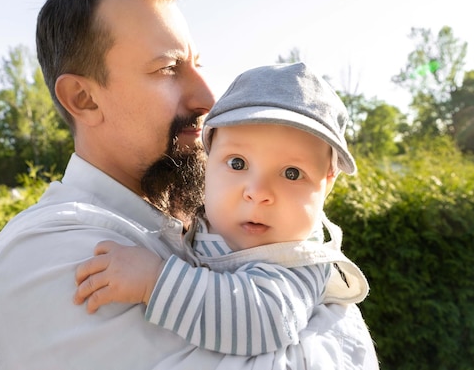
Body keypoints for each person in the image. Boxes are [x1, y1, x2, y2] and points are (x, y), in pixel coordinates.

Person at [0, 0, 379, 369]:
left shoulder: (210, 224)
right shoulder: (46, 255)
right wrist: (337, 323)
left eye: (197, 64)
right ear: (84, 98)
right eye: (169, 68)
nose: (208, 98)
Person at [73, 62, 370, 356]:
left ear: (327, 182)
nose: (257, 193)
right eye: (237, 163)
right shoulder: (201, 221)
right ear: (209, 160)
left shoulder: (297, 261)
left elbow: (261, 322)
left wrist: (155, 281)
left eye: (291, 173)